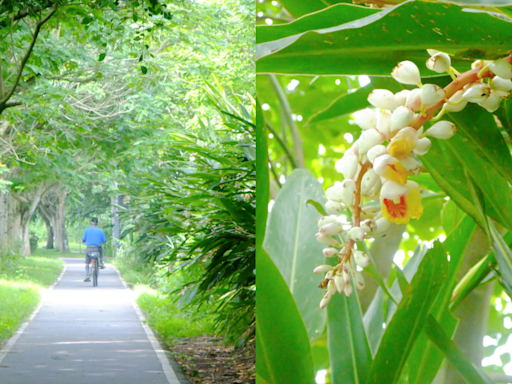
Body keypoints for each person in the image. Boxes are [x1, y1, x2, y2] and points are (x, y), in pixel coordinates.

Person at [82, 217, 107, 282]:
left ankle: (87, 275)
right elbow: (104, 240)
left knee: (87, 262)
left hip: (89, 249)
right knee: (101, 252)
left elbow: (83, 240)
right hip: (97, 249)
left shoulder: (86, 230)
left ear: (91, 222)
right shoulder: (100, 231)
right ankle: (101, 262)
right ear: (97, 223)